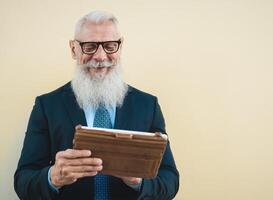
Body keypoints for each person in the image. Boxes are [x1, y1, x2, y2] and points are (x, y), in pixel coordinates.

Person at [14, 10, 179, 200]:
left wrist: (138, 181)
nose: (101, 56)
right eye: (90, 46)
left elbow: (170, 181)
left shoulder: (147, 105)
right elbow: (23, 182)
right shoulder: (47, 105)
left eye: (110, 46)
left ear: (120, 46)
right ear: (73, 49)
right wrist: (53, 177)